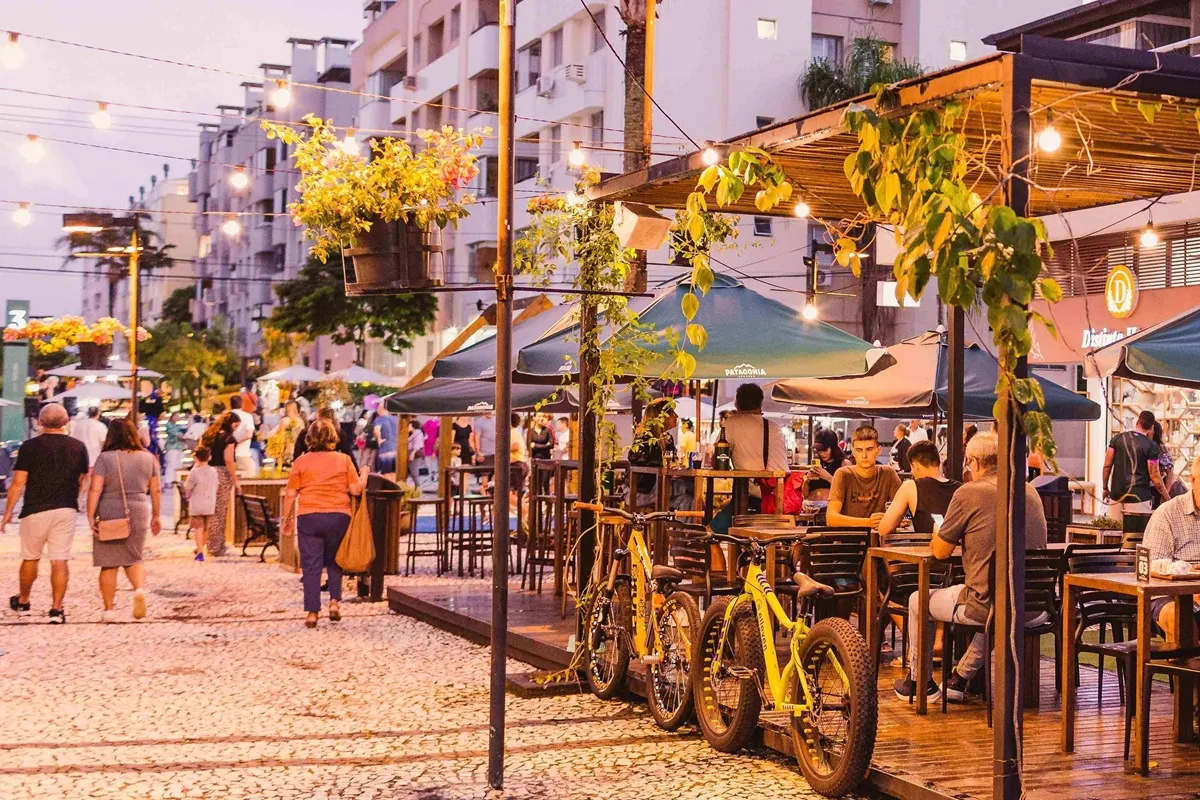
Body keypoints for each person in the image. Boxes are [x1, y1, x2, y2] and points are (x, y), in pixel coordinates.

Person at [894, 431, 1048, 702]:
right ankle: (960, 679)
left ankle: (920, 683)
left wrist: (939, 535)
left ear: (975, 462)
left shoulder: (969, 492)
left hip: (988, 606)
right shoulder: (1030, 491)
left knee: (918, 600)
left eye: (968, 463)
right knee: (999, 602)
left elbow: (940, 551)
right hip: (1034, 606)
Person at [3, 404, 90, 623]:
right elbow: (82, 479)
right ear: (66, 422)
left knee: (30, 557)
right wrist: (74, 498)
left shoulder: (30, 447)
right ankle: (56, 609)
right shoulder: (78, 447)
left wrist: (8, 513)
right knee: (59, 559)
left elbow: (18, 483)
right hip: (65, 509)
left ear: (40, 423)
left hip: (35, 509)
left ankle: (23, 600)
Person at [281, 417, 369, 628]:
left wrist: (287, 519)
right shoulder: (343, 460)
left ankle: (312, 613)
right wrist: (364, 474)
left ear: (310, 439)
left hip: (309, 516)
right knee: (335, 561)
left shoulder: (301, 462)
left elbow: (291, 494)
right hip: (339, 516)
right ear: (333, 438)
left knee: (311, 566)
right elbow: (356, 489)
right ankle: (334, 603)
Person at [87, 417, 163, 623]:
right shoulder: (148, 458)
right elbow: (155, 489)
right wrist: (156, 515)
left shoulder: (106, 458)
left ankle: (109, 610)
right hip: (138, 509)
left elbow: (95, 488)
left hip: (111, 508)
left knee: (108, 562)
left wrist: (90, 514)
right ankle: (138, 589)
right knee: (134, 556)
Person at [708, 384, 788, 534]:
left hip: (754, 497)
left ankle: (732, 556)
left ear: (737, 403)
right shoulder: (775, 427)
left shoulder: (732, 423)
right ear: (761, 402)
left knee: (709, 533)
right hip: (781, 497)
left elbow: (716, 462)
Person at [1143, 451, 1200, 644]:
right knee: (1180, 618)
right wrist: (1189, 573)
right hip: (1167, 596)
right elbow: (1153, 567)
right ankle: (1187, 673)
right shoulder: (1168, 514)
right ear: (1193, 480)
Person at [878, 440, 961, 538]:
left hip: (926, 550)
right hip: (960, 551)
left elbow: (883, 529)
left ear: (914, 465)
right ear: (939, 462)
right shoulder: (960, 488)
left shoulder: (910, 486)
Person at [826, 425, 901, 529]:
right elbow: (831, 518)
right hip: (847, 541)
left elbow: (900, 512)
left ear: (878, 450)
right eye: (859, 450)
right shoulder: (843, 474)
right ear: (853, 452)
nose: (864, 455)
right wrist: (868, 523)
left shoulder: (888, 473)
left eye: (869, 449)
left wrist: (896, 520)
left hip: (880, 540)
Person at [1103, 410, 1168, 520]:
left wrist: (1105, 488)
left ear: (1137, 422)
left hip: (1117, 495)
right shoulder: (1151, 446)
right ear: (1151, 427)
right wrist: (1167, 497)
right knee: (1135, 534)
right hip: (1140, 498)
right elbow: (1155, 476)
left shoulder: (1117, 439)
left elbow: (1107, 466)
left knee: (1116, 532)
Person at [200, 413, 241, 558]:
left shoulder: (209, 435)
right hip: (222, 473)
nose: (236, 429)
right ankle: (216, 546)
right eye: (236, 426)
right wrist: (235, 480)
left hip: (207, 472)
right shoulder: (229, 438)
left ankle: (204, 542)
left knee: (208, 510)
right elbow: (229, 460)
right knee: (219, 510)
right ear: (231, 423)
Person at [628, 398, 679, 508]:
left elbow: (674, 462)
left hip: (661, 488)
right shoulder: (644, 438)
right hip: (639, 492)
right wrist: (662, 466)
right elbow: (634, 457)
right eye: (672, 413)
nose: (676, 416)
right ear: (661, 416)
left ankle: (697, 525)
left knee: (689, 500)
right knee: (687, 486)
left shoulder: (668, 439)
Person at [184, 446, 218, 561]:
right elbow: (216, 485)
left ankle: (199, 552)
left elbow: (187, 487)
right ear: (210, 458)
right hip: (210, 503)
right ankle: (202, 547)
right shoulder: (213, 471)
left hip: (197, 503)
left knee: (198, 528)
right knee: (206, 529)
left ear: (196, 458)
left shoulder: (194, 472)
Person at [803, 429, 850, 501]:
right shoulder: (817, 464)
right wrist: (807, 481)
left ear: (833, 448)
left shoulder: (844, 464)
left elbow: (848, 491)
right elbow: (805, 495)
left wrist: (828, 477)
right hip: (811, 508)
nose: (822, 453)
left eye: (825, 450)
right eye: (819, 450)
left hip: (832, 508)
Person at [228, 395, 257, 477]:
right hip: (243, 453)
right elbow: (249, 435)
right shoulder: (248, 416)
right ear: (242, 404)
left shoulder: (226, 417)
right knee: (250, 478)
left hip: (227, 455)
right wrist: (237, 442)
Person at [528, 413, 555, 493]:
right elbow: (529, 446)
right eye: (539, 416)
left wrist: (536, 445)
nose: (541, 418)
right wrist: (545, 445)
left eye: (543, 416)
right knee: (536, 483)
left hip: (546, 460)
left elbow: (551, 444)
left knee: (545, 482)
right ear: (535, 418)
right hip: (535, 460)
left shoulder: (547, 430)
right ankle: (537, 504)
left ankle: (547, 503)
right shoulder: (531, 432)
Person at [472, 412, 497, 492]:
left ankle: (492, 494)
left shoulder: (496, 420)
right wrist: (478, 452)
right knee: (485, 474)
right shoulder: (479, 422)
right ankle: (484, 493)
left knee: (496, 474)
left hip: (496, 452)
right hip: (484, 453)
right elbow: (476, 438)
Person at [162, 412, 188, 487]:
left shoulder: (180, 426)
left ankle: (176, 479)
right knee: (171, 463)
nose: (177, 417)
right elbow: (174, 433)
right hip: (172, 446)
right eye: (176, 416)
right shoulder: (169, 424)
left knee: (178, 464)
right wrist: (181, 435)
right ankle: (168, 480)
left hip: (180, 447)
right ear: (172, 416)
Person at [375, 405, 400, 476]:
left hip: (385, 450)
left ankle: (388, 486)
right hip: (396, 449)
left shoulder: (380, 419)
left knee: (386, 473)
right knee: (395, 472)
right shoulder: (396, 419)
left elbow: (377, 430)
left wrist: (379, 438)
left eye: (378, 408)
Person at [405, 419, 426, 486]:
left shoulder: (417, 433)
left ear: (411, 425)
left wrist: (413, 453)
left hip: (415, 453)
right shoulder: (414, 433)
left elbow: (417, 444)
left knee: (414, 471)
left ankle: (418, 486)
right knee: (412, 471)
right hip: (412, 452)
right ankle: (416, 486)